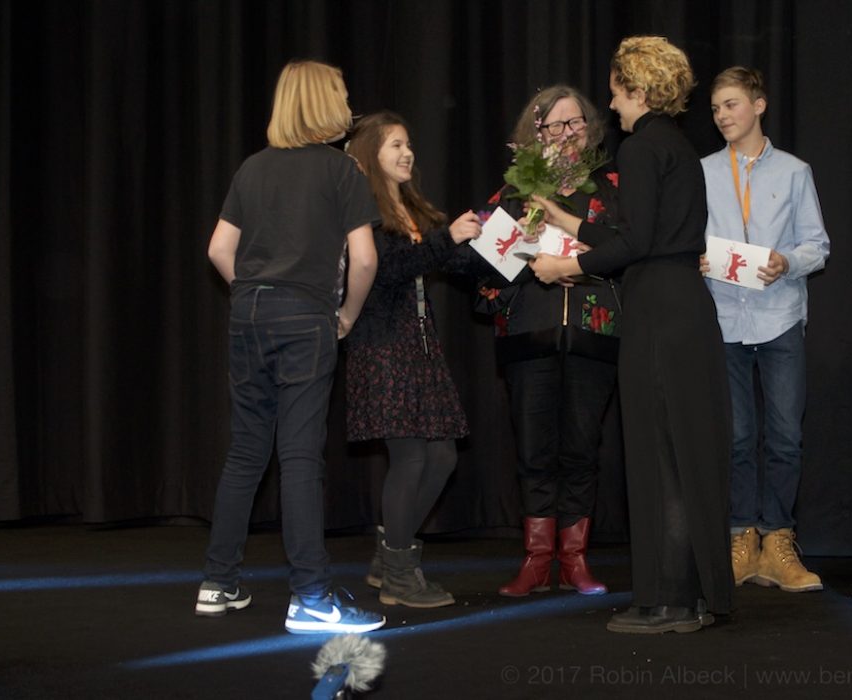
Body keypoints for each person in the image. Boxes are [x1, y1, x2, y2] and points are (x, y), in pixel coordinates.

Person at [532, 36, 733, 634]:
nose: (612, 103)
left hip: (658, 314)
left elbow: (635, 243)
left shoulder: (644, 147)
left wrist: (564, 266)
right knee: (682, 452)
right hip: (681, 308)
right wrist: (566, 219)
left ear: (639, 90)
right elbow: (635, 232)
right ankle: (689, 596)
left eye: (617, 90)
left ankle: (667, 600)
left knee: (660, 455)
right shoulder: (676, 146)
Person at [197, 60, 385, 634]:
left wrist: (257, 292)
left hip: (248, 314)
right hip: (306, 317)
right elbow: (367, 258)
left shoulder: (253, 169)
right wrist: (345, 315)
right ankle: (310, 596)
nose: (349, 103)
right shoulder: (341, 170)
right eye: (342, 93)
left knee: (247, 451)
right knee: (300, 455)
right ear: (323, 103)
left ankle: (217, 582)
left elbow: (218, 250)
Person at [476, 86, 621, 597]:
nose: (565, 134)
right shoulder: (514, 193)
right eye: (553, 126)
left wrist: (581, 264)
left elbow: (631, 252)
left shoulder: (611, 188)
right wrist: (534, 266)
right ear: (533, 134)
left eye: (574, 123)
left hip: (593, 334)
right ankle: (537, 560)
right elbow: (481, 267)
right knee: (535, 452)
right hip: (527, 336)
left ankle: (575, 560)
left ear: (590, 127)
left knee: (581, 449)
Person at [344, 111, 482, 609]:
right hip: (382, 347)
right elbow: (386, 270)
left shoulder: (411, 206)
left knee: (442, 456)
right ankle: (400, 573)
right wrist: (451, 238)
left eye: (408, 144)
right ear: (370, 155)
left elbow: (453, 261)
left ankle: (390, 556)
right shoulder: (361, 206)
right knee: (411, 457)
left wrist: (514, 253)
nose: (407, 153)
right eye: (395, 145)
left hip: (420, 350)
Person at [700, 67, 830, 593]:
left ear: (759, 104)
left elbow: (817, 246)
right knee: (735, 437)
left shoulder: (795, 172)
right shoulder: (703, 171)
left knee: (785, 436)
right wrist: (698, 260)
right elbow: (686, 239)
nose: (723, 116)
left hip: (778, 318)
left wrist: (786, 262)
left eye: (731, 104)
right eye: (715, 109)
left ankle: (779, 541)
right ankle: (740, 539)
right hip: (724, 317)